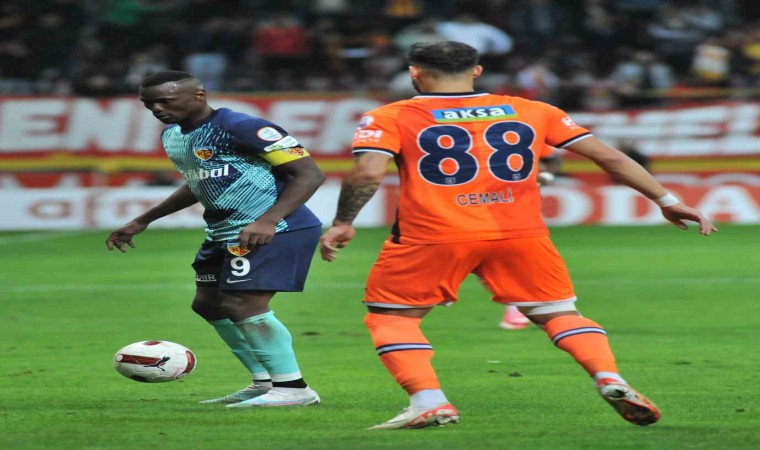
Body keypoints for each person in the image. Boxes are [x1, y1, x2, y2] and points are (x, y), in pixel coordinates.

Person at [319, 41, 717, 430]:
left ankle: (429, 401)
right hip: (520, 234)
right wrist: (666, 200)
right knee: (558, 314)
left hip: (434, 234)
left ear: (414, 72)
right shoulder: (533, 109)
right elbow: (609, 157)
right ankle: (608, 377)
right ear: (477, 71)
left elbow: (368, 173)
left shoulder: (390, 116)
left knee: (392, 317)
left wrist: (343, 221)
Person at [106, 70, 325, 408]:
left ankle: (293, 389)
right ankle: (264, 383)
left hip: (276, 228)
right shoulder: (173, 136)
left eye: (165, 100)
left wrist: (268, 219)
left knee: (243, 303)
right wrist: (143, 220)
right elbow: (198, 182)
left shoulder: (243, 127)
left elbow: (309, 174)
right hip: (224, 231)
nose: (157, 108)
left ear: (199, 95)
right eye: (149, 104)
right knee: (207, 304)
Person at [499, 149, 561, 330]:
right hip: (501, 213)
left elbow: (552, 157)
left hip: (515, 214)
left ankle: (517, 307)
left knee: (515, 264)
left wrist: (546, 175)